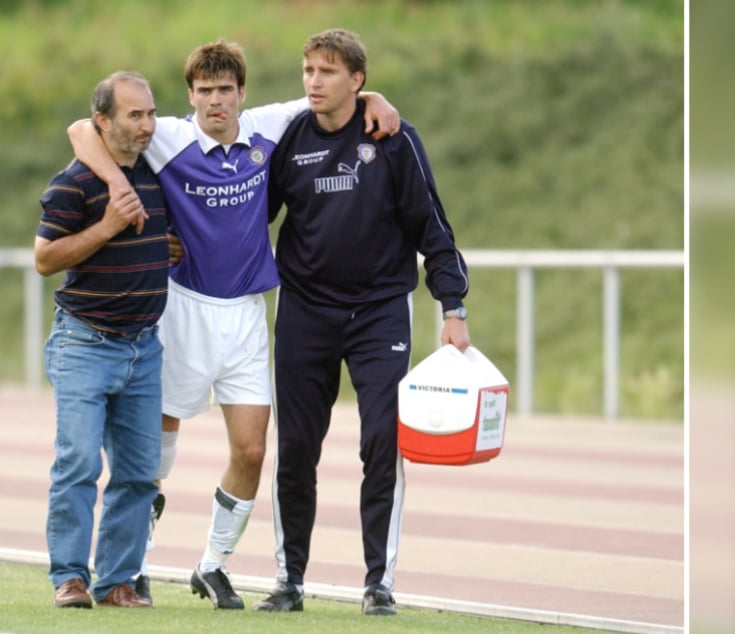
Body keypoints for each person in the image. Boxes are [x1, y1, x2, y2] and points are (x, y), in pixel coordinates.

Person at [66, 40, 400, 609]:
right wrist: (120, 187)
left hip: (246, 316)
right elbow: (81, 129)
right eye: (204, 92)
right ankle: (132, 565)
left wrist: (375, 95)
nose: (215, 102)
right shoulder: (168, 136)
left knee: (251, 453)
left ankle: (212, 564)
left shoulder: (270, 125)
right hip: (182, 311)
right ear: (190, 95)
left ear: (242, 94)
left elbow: (331, 98)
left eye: (225, 91)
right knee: (153, 459)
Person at [254, 29, 471, 616]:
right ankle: (288, 580)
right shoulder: (288, 140)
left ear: (357, 82)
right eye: (307, 71)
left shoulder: (393, 139)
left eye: (327, 72)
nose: (313, 82)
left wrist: (453, 309)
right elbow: (251, 219)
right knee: (296, 448)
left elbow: (435, 231)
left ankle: (379, 584)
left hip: (380, 313)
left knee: (382, 442)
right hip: (304, 311)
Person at [35, 70, 167, 610]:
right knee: (79, 465)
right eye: (134, 115)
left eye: (151, 113)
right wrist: (109, 225)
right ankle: (69, 577)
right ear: (102, 121)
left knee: (138, 475)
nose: (147, 125)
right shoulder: (74, 183)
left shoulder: (159, 172)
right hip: (85, 344)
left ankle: (117, 582)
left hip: (145, 347)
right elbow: (45, 259)